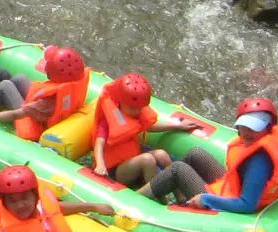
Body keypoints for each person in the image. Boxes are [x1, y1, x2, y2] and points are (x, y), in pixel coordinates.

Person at [92, 72, 220, 194]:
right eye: (132, 108)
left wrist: (177, 125)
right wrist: (100, 164)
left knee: (161, 154)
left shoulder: (136, 112)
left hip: (132, 158)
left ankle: (180, 195)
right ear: (120, 100)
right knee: (147, 159)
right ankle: (158, 199)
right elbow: (99, 143)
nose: (137, 112)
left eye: (139, 108)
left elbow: (149, 126)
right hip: (114, 169)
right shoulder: (108, 119)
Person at [189, 98, 278, 212]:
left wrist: (206, 200)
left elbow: (247, 205)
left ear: (268, 128)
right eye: (244, 126)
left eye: (254, 128)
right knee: (195, 154)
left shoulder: (258, 161)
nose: (247, 133)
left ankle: (181, 207)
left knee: (179, 168)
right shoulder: (272, 145)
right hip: (233, 187)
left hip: (233, 201)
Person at [0, 44, 90, 141]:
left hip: (36, 126)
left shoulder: (46, 102)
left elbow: (15, 114)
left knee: (4, 86)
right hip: (53, 115)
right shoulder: (75, 80)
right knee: (19, 79)